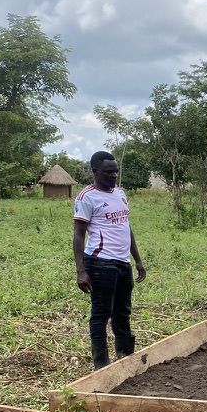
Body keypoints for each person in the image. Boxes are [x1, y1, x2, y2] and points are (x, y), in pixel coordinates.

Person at [73, 151, 146, 369]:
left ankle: (125, 357)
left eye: (116, 171)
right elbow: (78, 234)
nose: (114, 175)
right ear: (95, 172)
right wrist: (80, 271)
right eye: (108, 172)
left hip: (123, 263)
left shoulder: (120, 194)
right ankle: (101, 365)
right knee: (101, 312)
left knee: (123, 311)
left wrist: (138, 260)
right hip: (100, 262)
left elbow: (126, 228)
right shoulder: (86, 197)